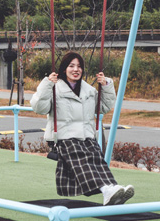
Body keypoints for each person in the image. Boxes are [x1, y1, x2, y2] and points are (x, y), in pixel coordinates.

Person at [30, 51, 134, 206]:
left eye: (79, 66)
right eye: (71, 66)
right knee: (81, 158)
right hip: (64, 137)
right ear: (64, 68)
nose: (75, 69)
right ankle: (107, 190)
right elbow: (39, 107)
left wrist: (105, 86)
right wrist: (47, 84)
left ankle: (112, 188)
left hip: (86, 136)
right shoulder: (54, 88)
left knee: (97, 160)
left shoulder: (89, 91)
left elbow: (103, 108)